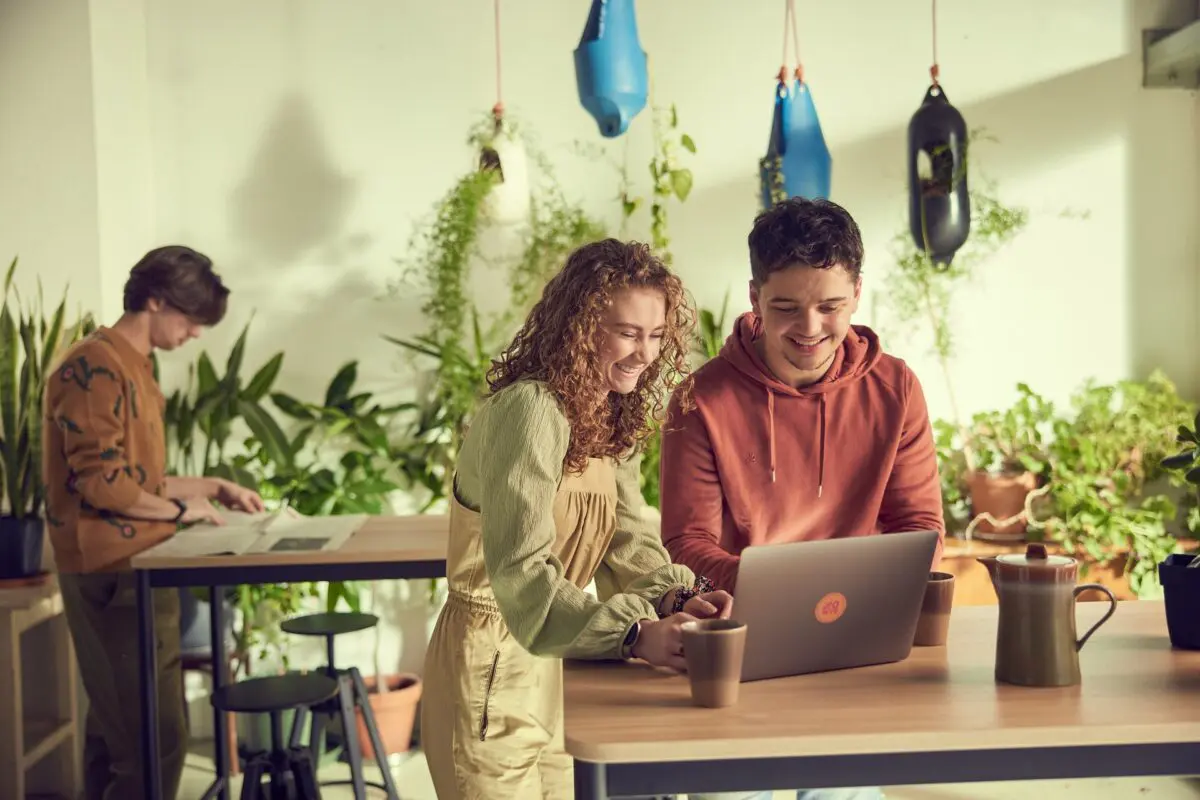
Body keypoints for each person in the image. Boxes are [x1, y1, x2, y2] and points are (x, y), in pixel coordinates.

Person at [420, 238, 734, 799]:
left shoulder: (603, 416)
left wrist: (679, 598)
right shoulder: (531, 410)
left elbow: (630, 539)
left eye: (657, 335)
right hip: (490, 664)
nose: (645, 352)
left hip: (558, 658)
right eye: (628, 333)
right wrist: (635, 634)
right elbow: (521, 574)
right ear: (581, 327)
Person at [660, 198, 945, 800]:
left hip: (857, 648)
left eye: (831, 306)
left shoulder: (896, 388)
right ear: (754, 296)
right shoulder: (700, 398)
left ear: (858, 294)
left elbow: (918, 524)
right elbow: (687, 543)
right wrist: (780, 593)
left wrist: (835, 594)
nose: (810, 329)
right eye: (785, 307)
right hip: (739, 648)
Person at [43, 245, 265, 800]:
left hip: (139, 568)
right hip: (110, 572)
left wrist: (211, 488)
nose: (194, 334)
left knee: (119, 731)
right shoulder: (92, 366)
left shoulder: (134, 367)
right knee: (150, 741)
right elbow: (101, 484)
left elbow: (138, 480)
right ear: (155, 300)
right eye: (189, 320)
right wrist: (179, 511)